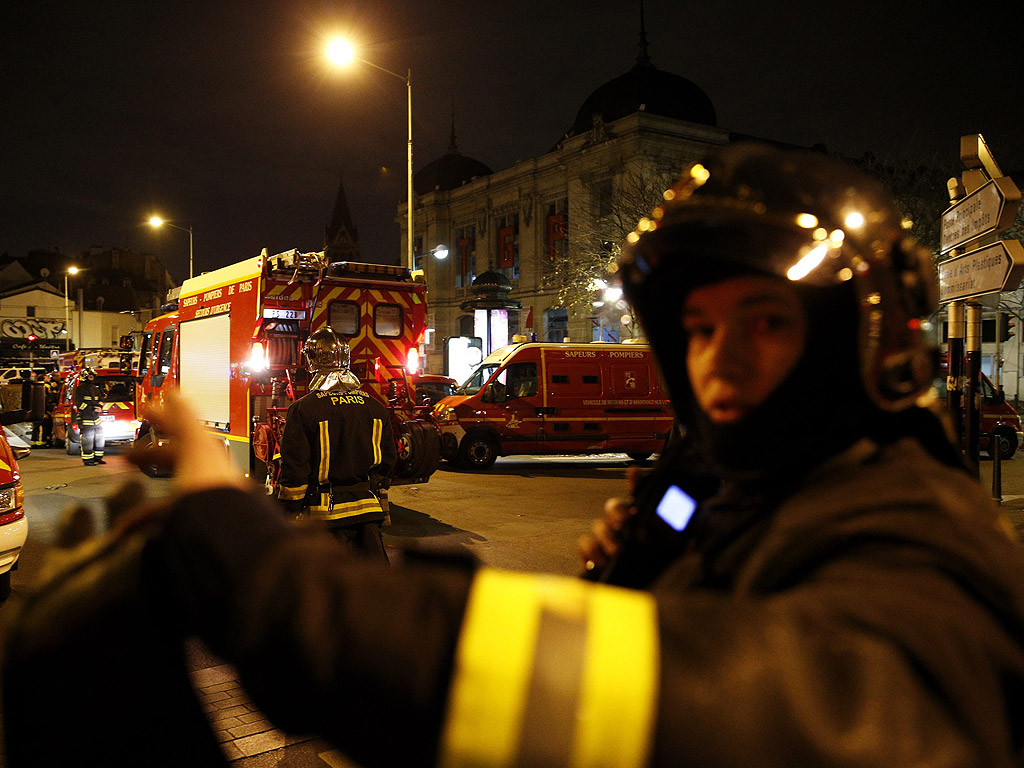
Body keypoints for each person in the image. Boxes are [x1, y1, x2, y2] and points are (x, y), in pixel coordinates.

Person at [6, 143, 1024, 768]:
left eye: (765, 323)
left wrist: (257, 568)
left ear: (867, 337)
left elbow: (689, 705)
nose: (720, 364)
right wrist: (652, 537)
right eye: (700, 331)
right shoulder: (738, 496)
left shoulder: (921, 550)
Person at [276, 326, 396, 562]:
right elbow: (388, 464)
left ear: (312, 362)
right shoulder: (376, 407)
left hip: (324, 522)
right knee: (372, 591)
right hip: (368, 521)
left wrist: (286, 514)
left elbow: (295, 470)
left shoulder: (303, 410)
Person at [72, 366, 105, 465]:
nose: (91, 377)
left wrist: (99, 407)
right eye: (89, 376)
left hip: (96, 419)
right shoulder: (79, 389)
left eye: (92, 376)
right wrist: (91, 409)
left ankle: (98, 457)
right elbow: (79, 404)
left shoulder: (95, 388)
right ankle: (88, 459)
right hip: (85, 418)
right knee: (88, 439)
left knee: (99, 438)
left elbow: (101, 400)